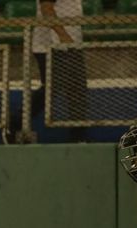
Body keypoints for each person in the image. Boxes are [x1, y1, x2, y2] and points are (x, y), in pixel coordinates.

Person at [30, 0, 88, 142]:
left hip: (71, 45)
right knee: (51, 90)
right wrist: (63, 35)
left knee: (77, 90)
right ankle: (15, 123)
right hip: (52, 46)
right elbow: (46, 8)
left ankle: (78, 137)